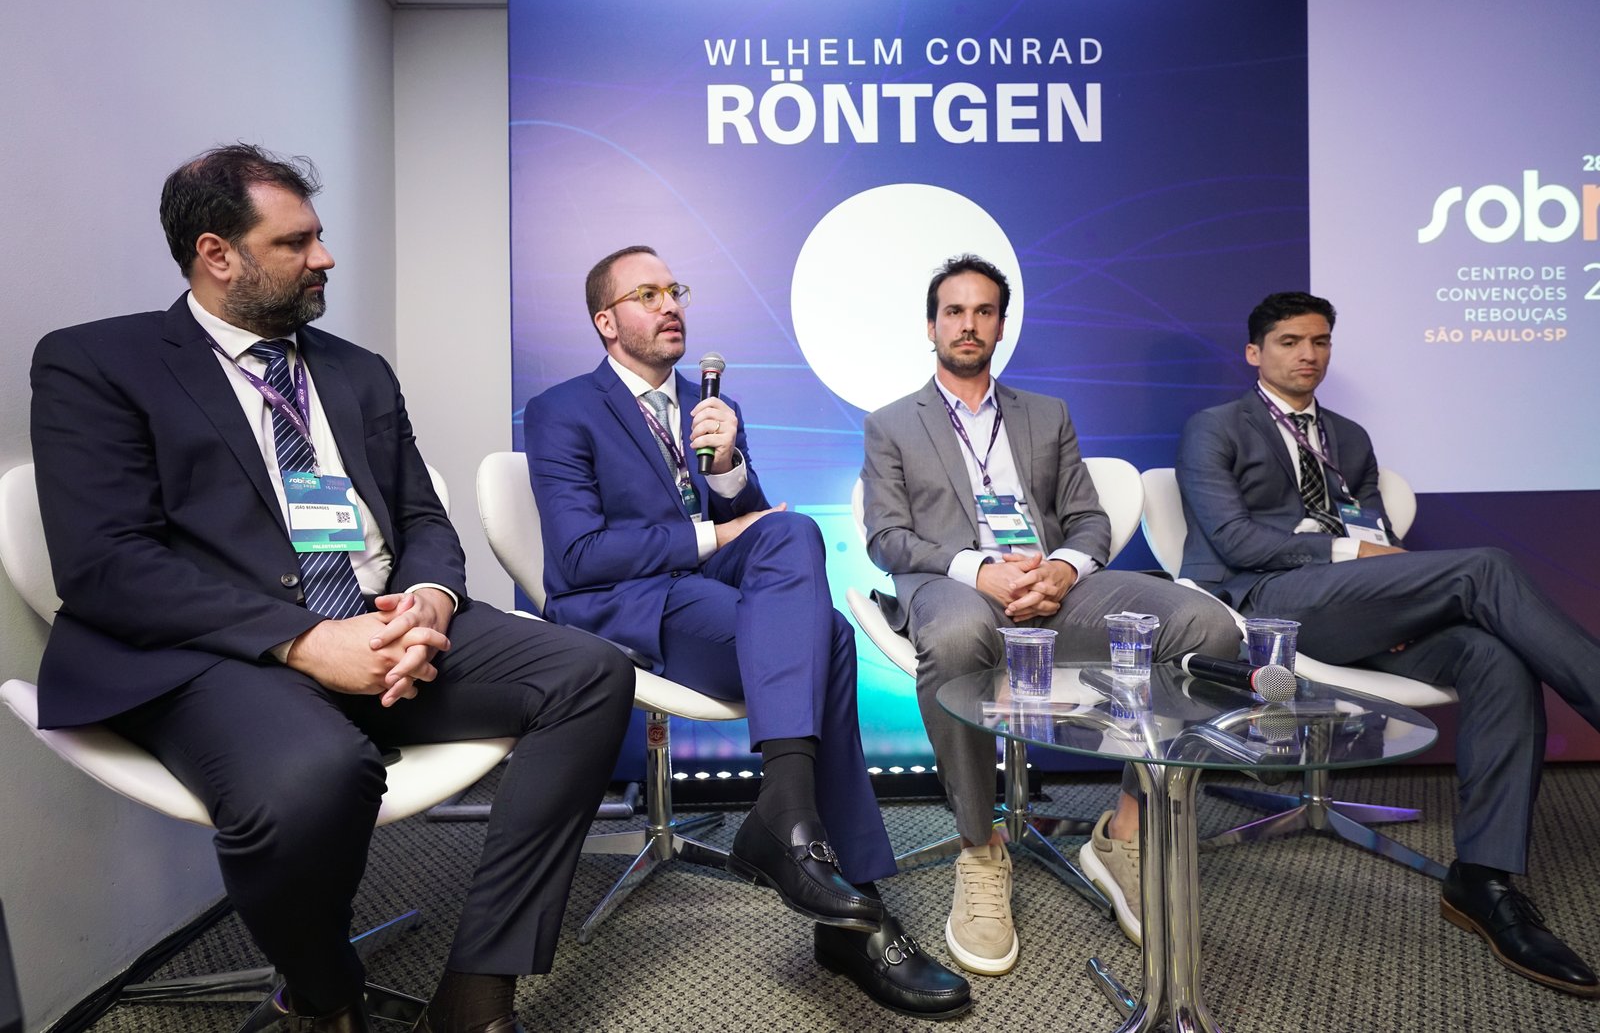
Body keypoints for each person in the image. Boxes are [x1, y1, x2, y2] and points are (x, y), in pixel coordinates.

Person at [28, 145, 637, 1033]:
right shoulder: (98, 362)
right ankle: (322, 993)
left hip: (379, 622)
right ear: (216, 253)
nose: (326, 257)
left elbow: (421, 515)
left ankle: (478, 987)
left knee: (591, 674)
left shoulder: (357, 371)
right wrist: (308, 641)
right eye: (296, 242)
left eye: (319, 235)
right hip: (222, 654)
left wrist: (428, 600)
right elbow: (106, 562)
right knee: (320, 773)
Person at [523, 246, 970, 1021]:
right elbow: (577, 556)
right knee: (828, 639)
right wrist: (712, 534)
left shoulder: (709, 404)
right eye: (647, 293)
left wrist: (728, 465)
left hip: (707, 589)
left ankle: (789, 818)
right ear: (606, 321)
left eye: (674, 289)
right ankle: (852, 910)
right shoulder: (562, 408)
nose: (671, 304)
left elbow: (753, 522)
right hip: (630, 601)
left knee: (792, 531)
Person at [1177, 290, 1600, 998]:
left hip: (1359, 609)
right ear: (1255, 352)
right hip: (1273, 604)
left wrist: (1392, 597)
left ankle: (1483, 880)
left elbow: (1376, 534)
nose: (1308, 354)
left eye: (1320, 341)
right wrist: (1354, 557)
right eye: (1289, 341)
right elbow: (1236, 541)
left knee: (1496, 657)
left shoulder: (1349, 436)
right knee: (1485, 566)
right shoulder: (1215, 428)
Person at [860, 254, 1241, 970]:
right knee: (959, 632)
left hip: (1054, 586)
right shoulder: (891, 424)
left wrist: (1063, 569)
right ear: (931, 325)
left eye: (983, 311)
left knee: (1206, 625)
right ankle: (979, 846)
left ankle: (1125, 831)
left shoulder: (1047, 414)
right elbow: (888, 537)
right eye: (953, 311)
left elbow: (1089, 519)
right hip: (954, 584)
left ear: (1002, 325)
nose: (968, 324)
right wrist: (982, 570)